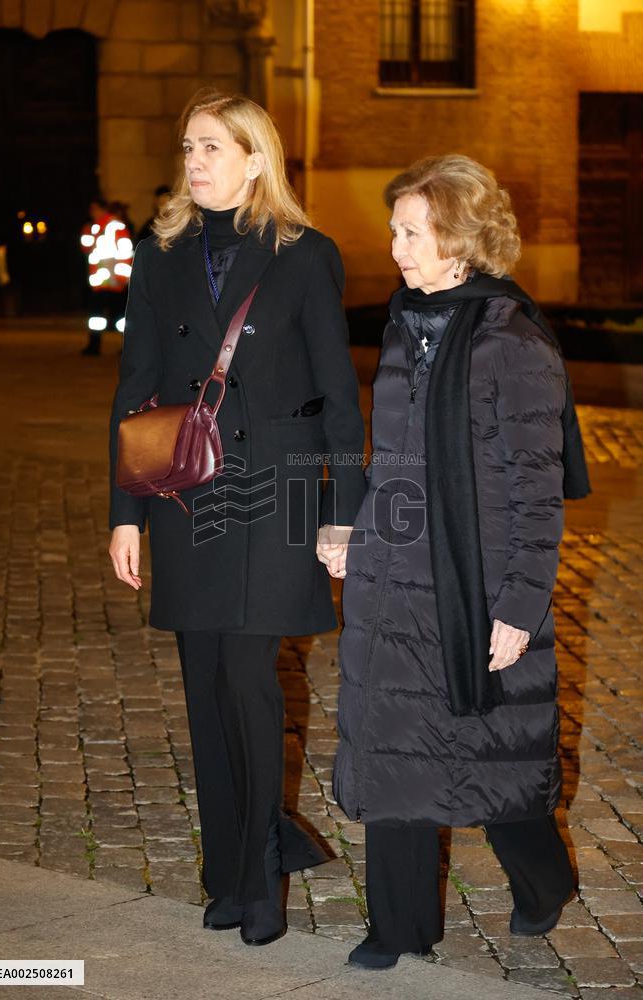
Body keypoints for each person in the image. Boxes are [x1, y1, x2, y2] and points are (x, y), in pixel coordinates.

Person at [108, 90, 366, 947]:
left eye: (212, 147)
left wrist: (343, 514)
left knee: (250, 685)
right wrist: (126, 514)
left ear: (256, 158)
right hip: (187, 494)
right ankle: (225, 873)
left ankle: (261, 881)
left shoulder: (304, 255)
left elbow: (340, 395)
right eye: (188, 147)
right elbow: (135, 389)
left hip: (276, 494)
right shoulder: (161, 254)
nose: (194, 162)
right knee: (205, 690)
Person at [326, 154, 591, 970]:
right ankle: (397, 928)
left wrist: (519, 604)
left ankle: (543, 882)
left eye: (412, 231)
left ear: (462, 237)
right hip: (397, 576)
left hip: (478, 587)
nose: (396, 246)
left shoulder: (513, 339)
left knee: (497, 759)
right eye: (397, 230)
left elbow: (534, 488)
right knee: (394, 744)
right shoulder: (410, 322)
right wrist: (351, 526)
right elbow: (395, 455)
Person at [80, 197, 133, 355]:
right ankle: (94, 345)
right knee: (97, 316)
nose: (92, 213)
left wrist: (123, 277)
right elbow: (86, 248)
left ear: (103, 209)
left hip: (115, 281)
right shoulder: (95, 227)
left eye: (95, 209)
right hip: (101, 280)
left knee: (120, 317)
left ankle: (129, 347)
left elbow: (125, 252)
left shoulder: (115, 226)